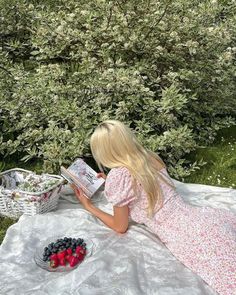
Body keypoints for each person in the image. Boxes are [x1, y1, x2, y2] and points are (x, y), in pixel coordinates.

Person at [70, 119, 236, 295]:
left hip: (184, 234)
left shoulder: (118, 176)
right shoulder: (149, 156)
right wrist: (109, 181)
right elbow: (138, 184)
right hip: (199, 217)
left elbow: (120, 227)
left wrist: (89, 206)